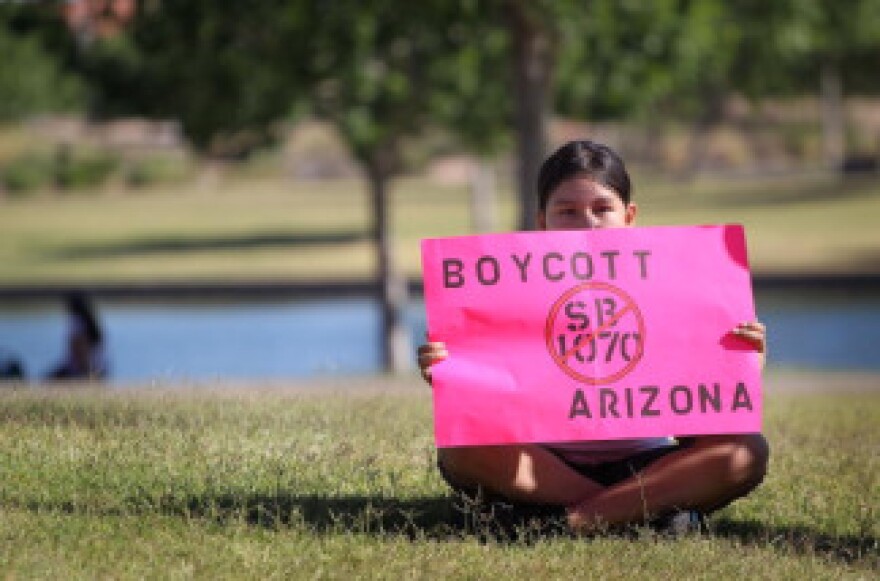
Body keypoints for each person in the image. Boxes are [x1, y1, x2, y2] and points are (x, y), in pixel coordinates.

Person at [418, 140, 769, 534]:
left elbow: (698, 426)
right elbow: (486, 412)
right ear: (542, 220)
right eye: (568, 211)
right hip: (541, 464)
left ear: (629, 215)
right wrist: (452, 376)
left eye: (602, 209)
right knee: (462, 449)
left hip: (647, 464)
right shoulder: (502, 289)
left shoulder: (682, 287)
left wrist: (736, 367)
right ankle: (635, 513)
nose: (587, 223)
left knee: (745, 451)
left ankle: (566, 521)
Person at [46, 291, 109, 381]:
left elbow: (81, 352)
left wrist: (87, 374)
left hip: (82, 370)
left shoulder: (77, 323)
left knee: (48, 379)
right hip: (101, 368)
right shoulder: (91, 322)